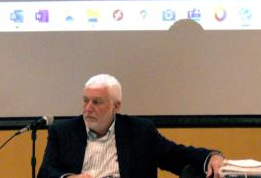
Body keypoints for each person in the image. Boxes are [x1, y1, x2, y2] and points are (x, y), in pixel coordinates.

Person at [37, 73, 225, 178]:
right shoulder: (63, 131)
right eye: (85, 101)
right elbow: (46, 172)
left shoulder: (139, 131)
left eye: (97, 102)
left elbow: (177, 155)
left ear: (116, 106)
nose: (88, 108)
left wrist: (211, 157)